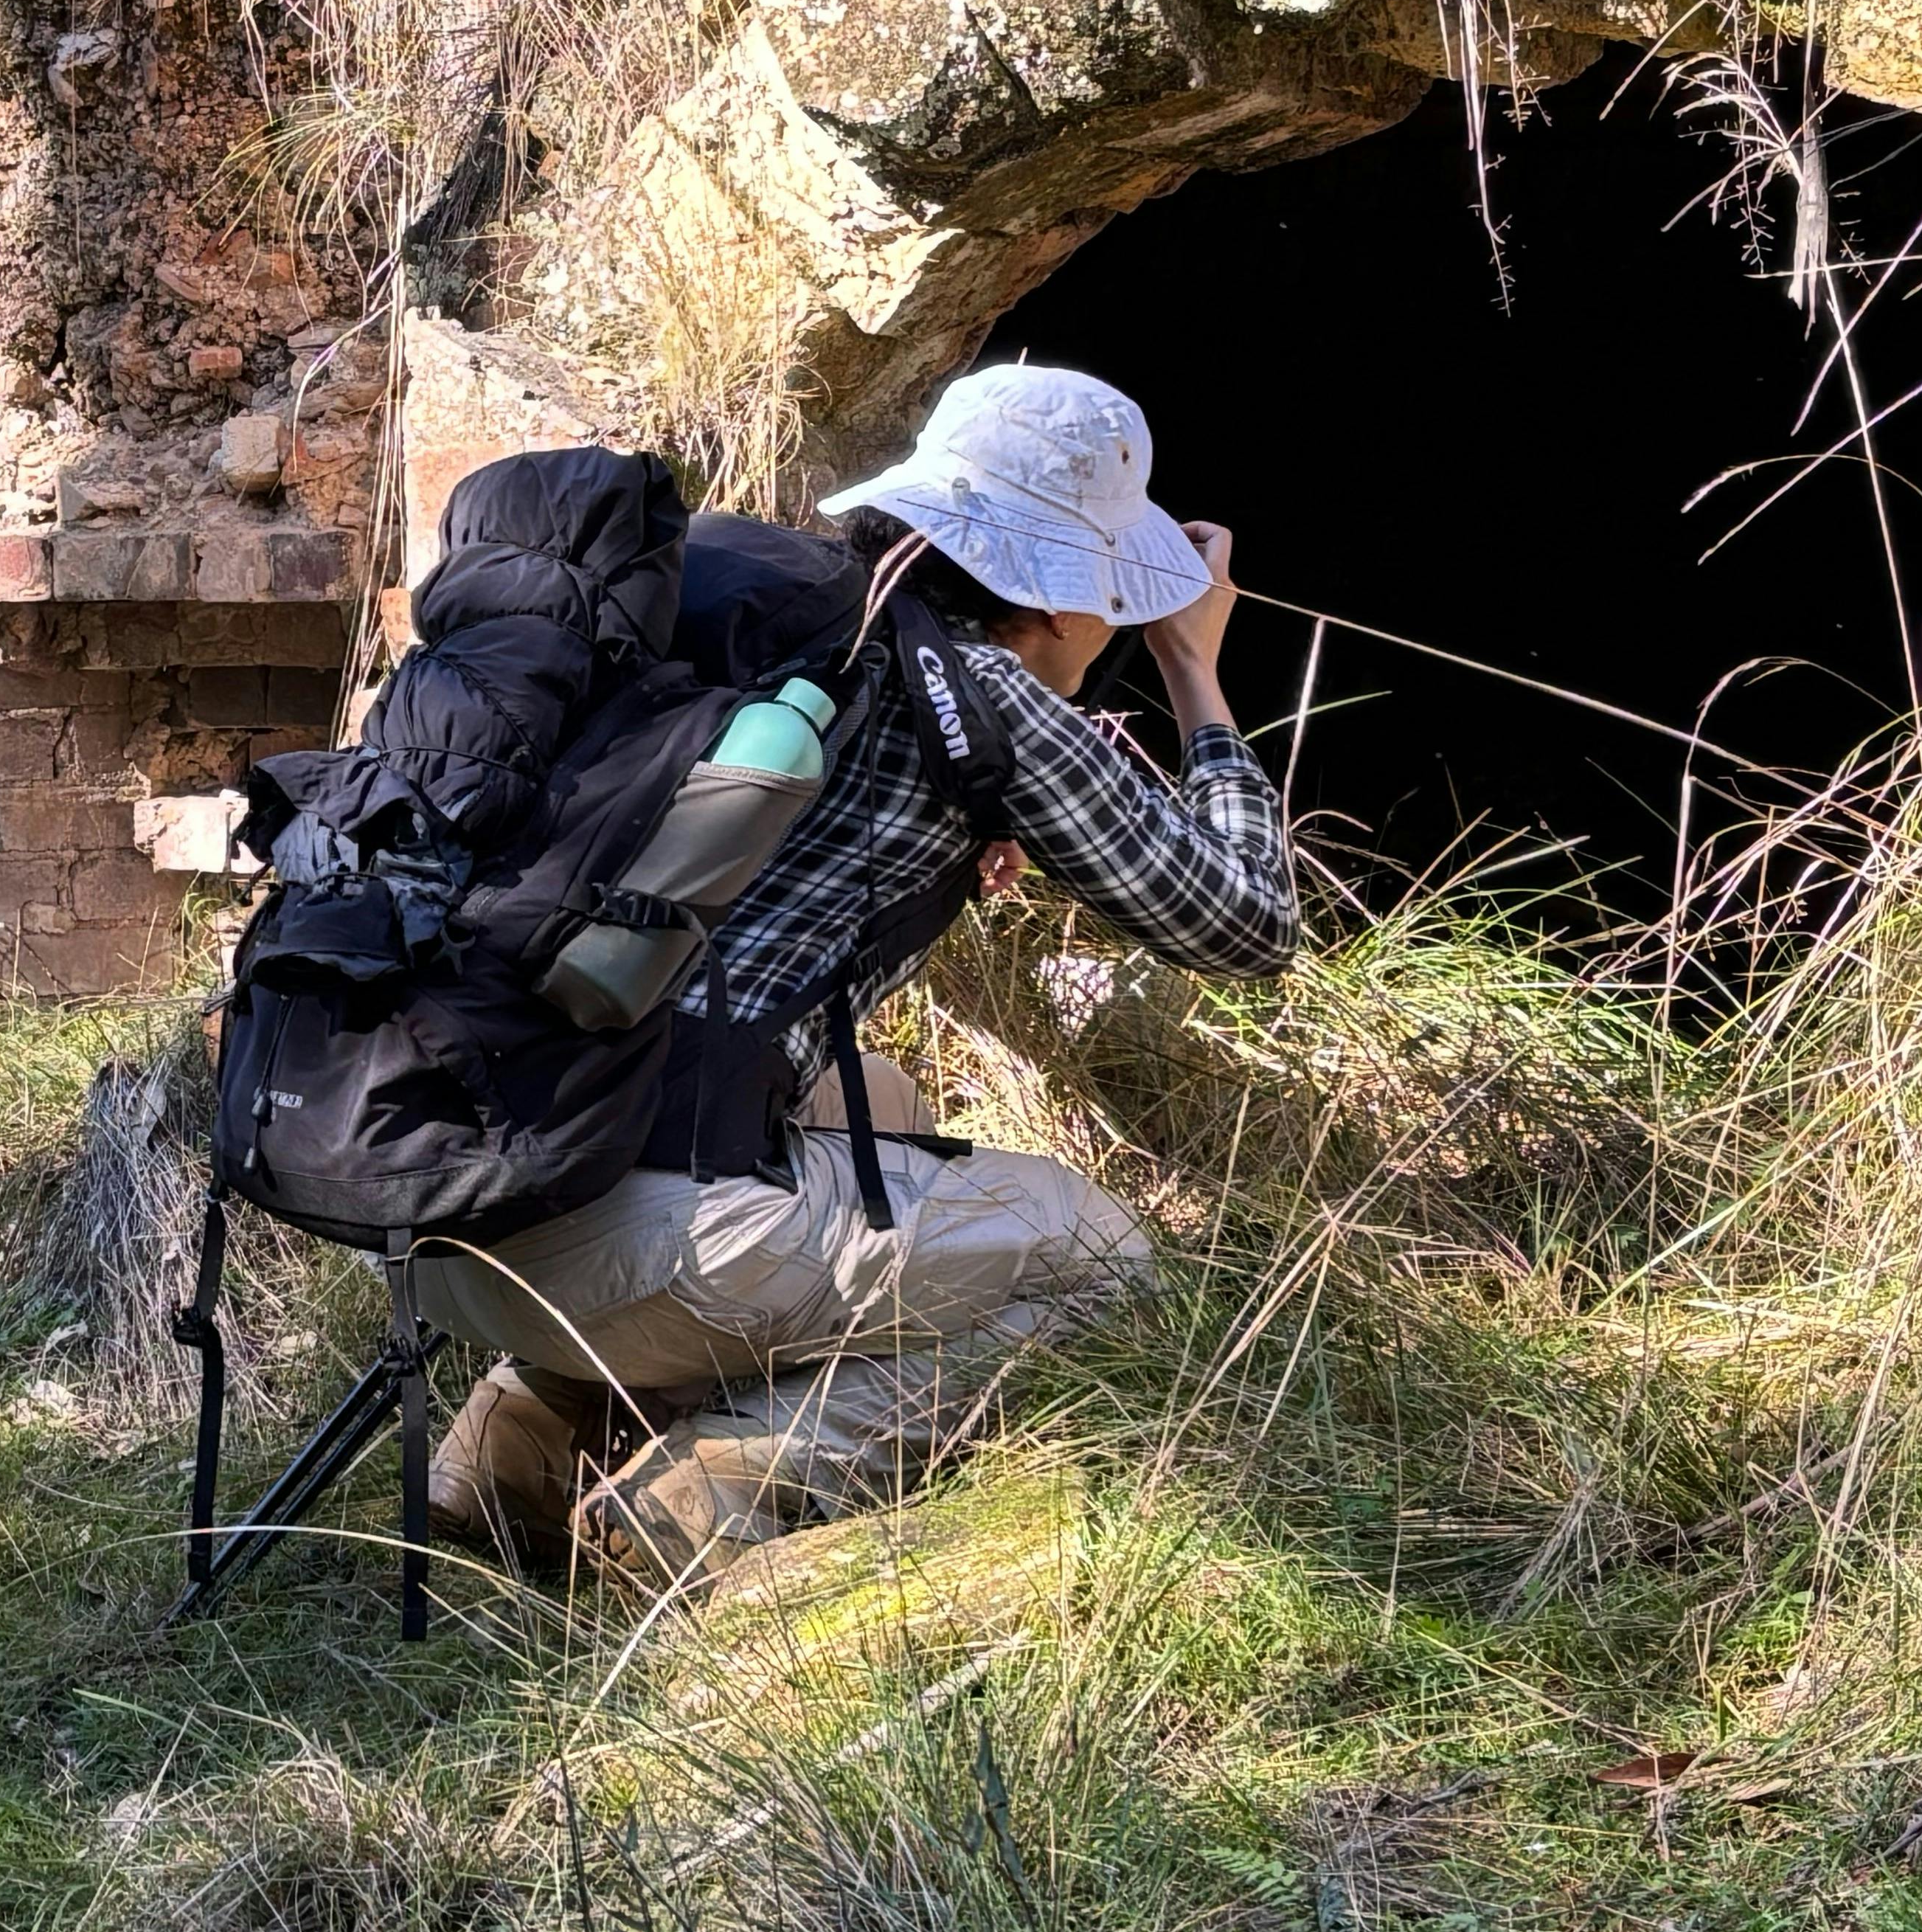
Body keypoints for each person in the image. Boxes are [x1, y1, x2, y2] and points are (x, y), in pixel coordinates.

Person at [413, 362, 1300, 1595]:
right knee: (1102, 1261)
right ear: (1046, 600)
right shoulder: (986, 688)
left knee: (873, 1101)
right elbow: (1248, 924)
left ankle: (515, 1444)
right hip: (611, 1240)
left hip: (426, 1188)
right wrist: (1197, 676)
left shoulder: (744, 616)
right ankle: (719, 1486)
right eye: (1106, 592)